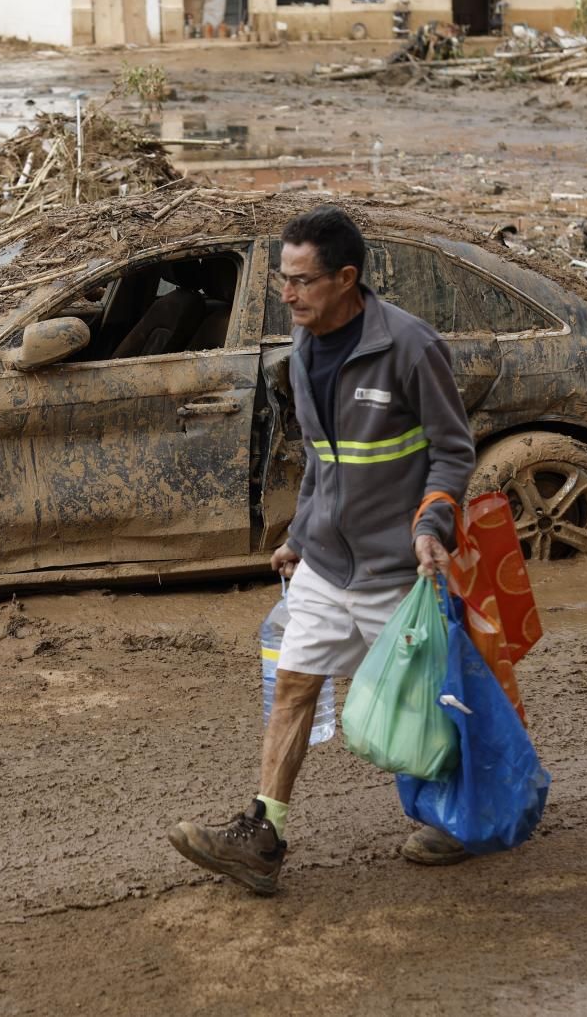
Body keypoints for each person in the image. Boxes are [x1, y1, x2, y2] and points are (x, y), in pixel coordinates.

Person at [166, 206, 476, 895]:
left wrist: (433, 526)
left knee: (420, 705)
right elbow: (320, 461)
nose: (287, 294)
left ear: (346, 278)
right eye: (284, 278)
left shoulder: (410, 347)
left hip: (400, 571)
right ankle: (263, 835)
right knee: (295, 686)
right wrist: (301, 537)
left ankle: (462, 813)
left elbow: (453, 452)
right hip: (330, 566)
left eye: (302, 281)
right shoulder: (303, 351)